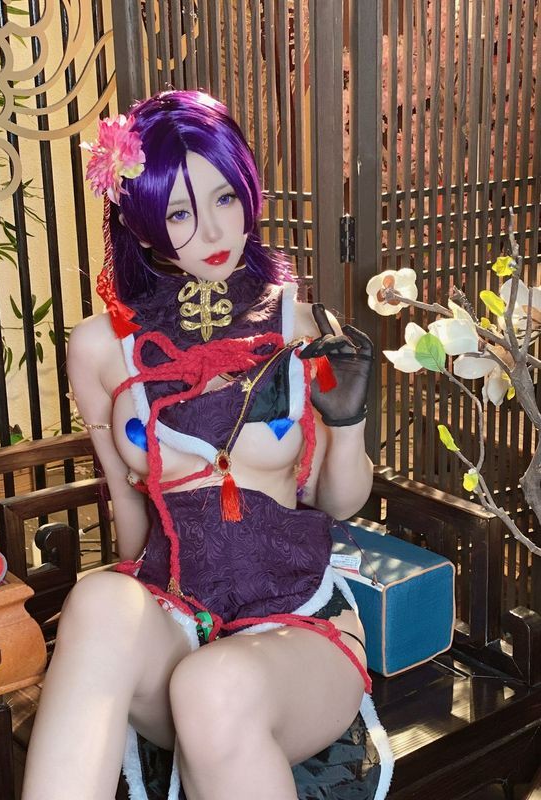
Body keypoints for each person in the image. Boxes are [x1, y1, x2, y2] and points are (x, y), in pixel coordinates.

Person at [22, 90, 392, 800]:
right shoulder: (100, 349)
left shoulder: (300, 323)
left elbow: (339, 502)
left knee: (212, 685)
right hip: (176, 621)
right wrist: (120, 628)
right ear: (142, 224)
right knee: (98, 601)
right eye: (180, 213)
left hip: (295, 624)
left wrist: (347, 425)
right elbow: (132, 522)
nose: (215, 230)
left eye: (225, 197)